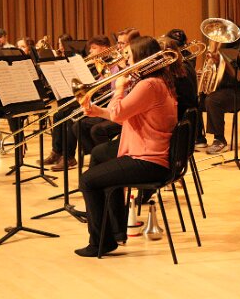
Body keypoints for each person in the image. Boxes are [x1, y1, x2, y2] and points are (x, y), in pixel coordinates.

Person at [75, 35, 177, 257]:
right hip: (149, 151)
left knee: (88, 181)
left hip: (148, 160)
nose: (127, 62)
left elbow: (119, 113)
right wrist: (98, 111)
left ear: (141, 57)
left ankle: (101, 242)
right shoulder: (160, 82)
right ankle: (116, 230)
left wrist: (119, 88)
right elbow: (127, 117)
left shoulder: (148, 85)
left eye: (129, 56)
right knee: (99, 155)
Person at [195, 27, 240, 155]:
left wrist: (221, 61)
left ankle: (219, 140)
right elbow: (217, 76)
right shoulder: (217, 53)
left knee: (213, 100)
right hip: (226, 90)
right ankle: (199, 138)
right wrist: (205, 74)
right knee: (196, 100)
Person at [0, 37, 36, 159]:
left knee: (12, 111)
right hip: (11, 100)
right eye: (18, 46)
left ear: (29, 49)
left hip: (28, 102)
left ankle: (19, 144)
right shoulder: (10, 65)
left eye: (22, 46)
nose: (19, 49)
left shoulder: (32, 65)